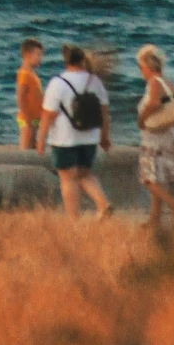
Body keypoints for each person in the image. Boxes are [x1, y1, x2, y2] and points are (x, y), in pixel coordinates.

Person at [36, 44, 112, 219]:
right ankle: (102, 204)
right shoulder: (95, 81)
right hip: (90, 138)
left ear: (65, 61)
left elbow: (48, 115)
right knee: (85, 174)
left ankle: (73, 220)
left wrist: (40, 140)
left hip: (65, 140)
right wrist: (105, 137)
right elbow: (104, 112)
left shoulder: (58, 83)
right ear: (82, 60)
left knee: (68, 178)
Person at [135, 45, 174, 227]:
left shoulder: (153, 83)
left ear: (148, 67)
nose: (140, 71)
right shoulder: (167, 83)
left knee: (148, 179)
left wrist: (141, 119)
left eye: (140, 67)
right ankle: (154, 218)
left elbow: (154, 104)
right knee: (158, 178)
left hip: (153, 138)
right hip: (168, 136)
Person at [16, 36, 44, 151]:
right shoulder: (24, 74)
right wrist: (27, 120)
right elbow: (20, 98)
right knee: (26, 149)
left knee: (32, 148)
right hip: (28, 119)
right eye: (38, 55)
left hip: (34, 118)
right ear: (27, 55)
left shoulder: (31, 74)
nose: (40, 58)